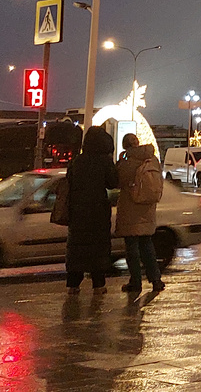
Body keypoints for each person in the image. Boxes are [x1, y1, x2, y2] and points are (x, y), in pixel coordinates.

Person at [65, 126, 118, 294]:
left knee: (77, 247)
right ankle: (98, 284)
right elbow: (112, 182)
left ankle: (73, 284)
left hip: (78, 211)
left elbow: (69, 182)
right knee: (98, 248)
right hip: (98, 212)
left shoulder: (77, 161)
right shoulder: (104, 161)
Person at [114, 133, 165, 295]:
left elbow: (117, 180)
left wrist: (120, 162)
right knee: (147, 245)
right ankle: (156, 280)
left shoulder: (128, 161)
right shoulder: (152, 159)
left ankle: (135, 281)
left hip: (130, 209)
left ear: (125, 145)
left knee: (132, 248)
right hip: (148, 208)